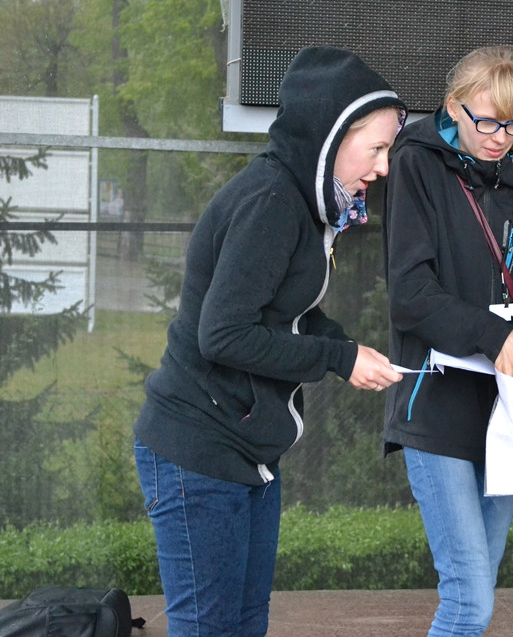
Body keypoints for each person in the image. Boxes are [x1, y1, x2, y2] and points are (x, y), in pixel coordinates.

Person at [133, 46, 406, 636]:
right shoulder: (273, 203)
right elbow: (224, 335)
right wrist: (337, 357)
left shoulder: (302, 204)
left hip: (249, 452)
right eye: (377, 148)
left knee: (245, 624)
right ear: (331, 137)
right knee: (210, 628)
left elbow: (286, 313)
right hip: (198, 449)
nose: (384, 167)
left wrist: (347, 350)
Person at [382, 44, 513, 636]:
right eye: (486, 121)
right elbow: (410, 295)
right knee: (469, 601)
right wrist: (494, 336)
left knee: (477, 591)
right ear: (453, 106)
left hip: (509, 414)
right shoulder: (416, 165)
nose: (500, 138)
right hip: (437, 407)